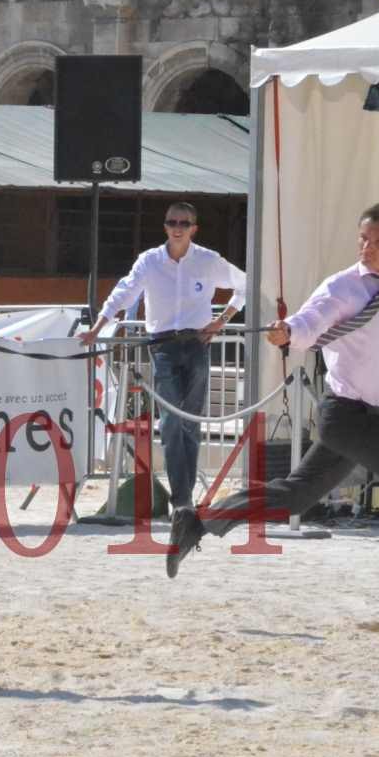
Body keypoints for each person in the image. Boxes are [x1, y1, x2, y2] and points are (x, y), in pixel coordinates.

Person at [168, 199, 379, 613]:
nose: (367, 248)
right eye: (363, 239)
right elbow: (312, 319)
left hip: (369, 417)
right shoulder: (343, 287)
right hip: (345, 414)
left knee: (296, 497)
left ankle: (197, 522)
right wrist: (289, 333)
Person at [80, 202, 246, 525]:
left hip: (197, 344)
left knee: (191, 422)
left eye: (184, 222)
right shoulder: (150, 261)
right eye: (172, 221)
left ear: (194, 228)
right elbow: (124, 292)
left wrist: (221, 321)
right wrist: (98, 328)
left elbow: (245, 284)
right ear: (166, 226)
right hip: (164, 347)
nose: (177, 227)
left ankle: (183, 501)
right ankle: (182, 500)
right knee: (171, 422)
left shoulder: (208, 260)